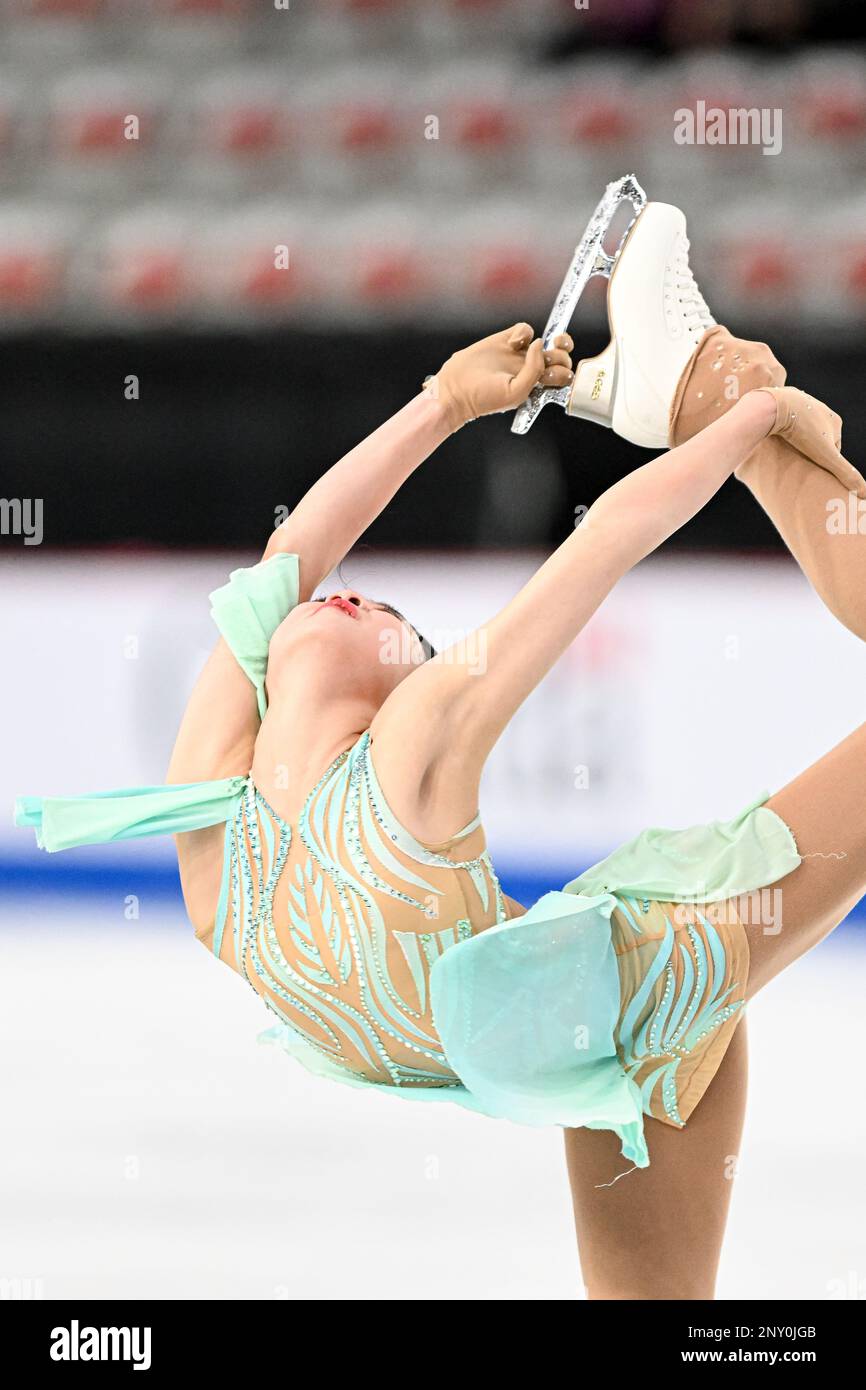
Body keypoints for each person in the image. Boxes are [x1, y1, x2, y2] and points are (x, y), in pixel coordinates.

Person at [16, 201, 866, 1300]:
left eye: (371, 609)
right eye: (382, 617)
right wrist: (746, 417)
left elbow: (292, 555)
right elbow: (599, 539)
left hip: (569, 1031)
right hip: (618, 990)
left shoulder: (220, 850)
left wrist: (450, 403)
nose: (352, 593)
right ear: (405, 680)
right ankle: (693, 383)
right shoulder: (405, 755)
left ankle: (694, 386)